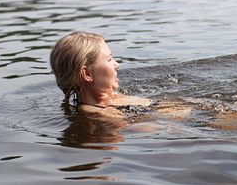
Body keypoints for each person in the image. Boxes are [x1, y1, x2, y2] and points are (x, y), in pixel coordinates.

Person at [49, 31, 189, 119]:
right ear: (87, 74)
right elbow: (154, 128)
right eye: (109, 59)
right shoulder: (101, 114)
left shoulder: (109, 97)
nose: (117, 64)